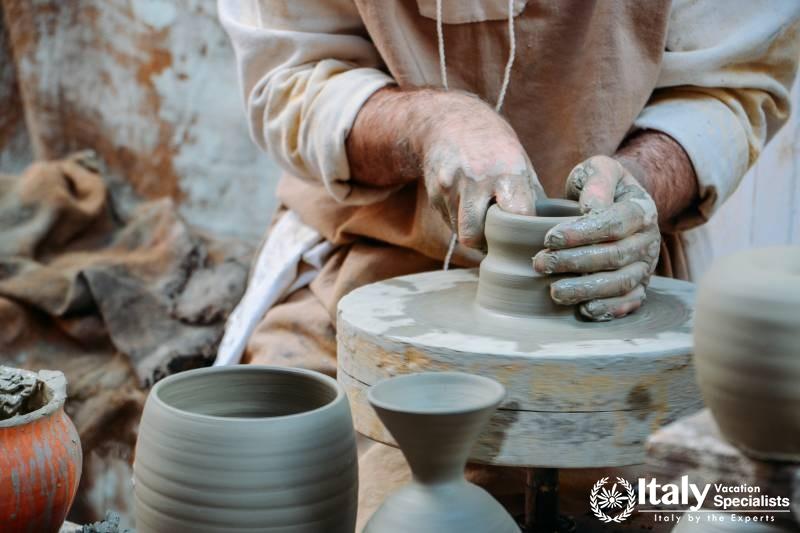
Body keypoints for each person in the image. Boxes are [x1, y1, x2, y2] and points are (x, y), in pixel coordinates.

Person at [217, 0, 800, 525]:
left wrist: (647, 179)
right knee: (270, 475)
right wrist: (428, 124)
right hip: (373, 254)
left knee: (695, 504)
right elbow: (289, 76)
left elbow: (735, 83)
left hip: (618, 280)